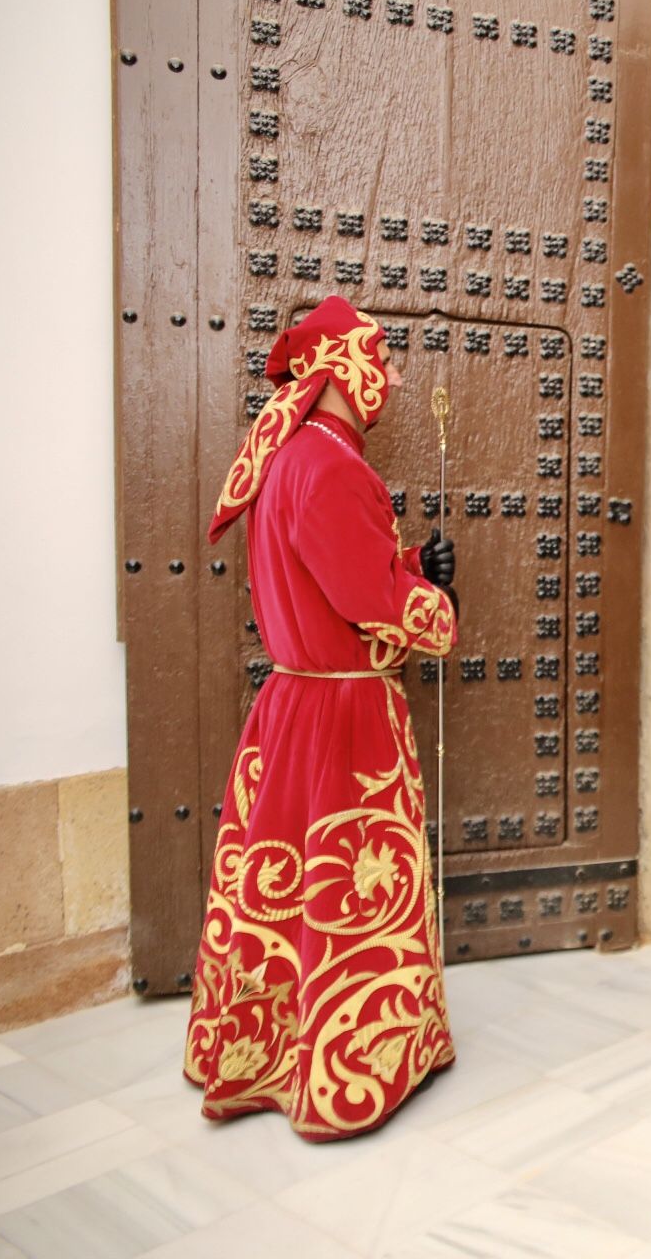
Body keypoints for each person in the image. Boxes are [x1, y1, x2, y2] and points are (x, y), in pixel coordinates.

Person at [186, 296, 459, 1140]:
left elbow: (328, 576)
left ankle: (265, 1048)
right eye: (383, 356)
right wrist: (434, 605)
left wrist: (409, 560)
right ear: (343, 365)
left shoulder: (293, 460)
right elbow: (366, 600)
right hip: (344, 718)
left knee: (288, 887)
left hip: (296, 704)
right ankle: (351, 1067)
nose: (395, 375)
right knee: (345, 886)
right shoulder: (334, 465)